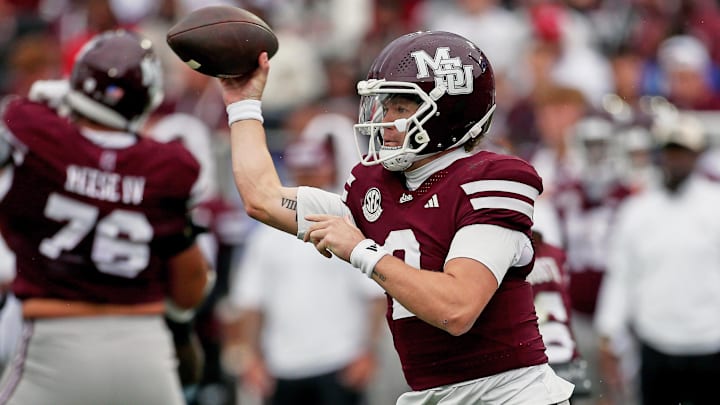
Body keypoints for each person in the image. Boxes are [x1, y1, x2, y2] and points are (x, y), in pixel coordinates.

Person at [218, 30, 574, 404]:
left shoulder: (492, 178)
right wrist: (243, 105)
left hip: (509, 395)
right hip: (433, 395)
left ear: (448, 112)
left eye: (401, 108)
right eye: (384, 107)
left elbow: (457, 307)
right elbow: (263, 199)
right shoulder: (376, 186)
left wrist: (363, 252)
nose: (385, 121)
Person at [0, 29, 211, 405]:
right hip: (144, 349)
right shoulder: (169, 166)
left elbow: (32, 120)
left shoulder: (35, 132)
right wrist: (180, 326)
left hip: (53, 346)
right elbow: (191, 287)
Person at [227, 128, 387, 405]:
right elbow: (251, 301)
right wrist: (251, 358)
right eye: (302, 171)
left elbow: (374, 294)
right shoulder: (266, 235)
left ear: (327, 170)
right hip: (282, 365)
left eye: (312, 170)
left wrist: (368, 352)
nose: (307, 178)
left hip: (340, 360)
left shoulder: (346, 222)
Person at [595, 113, 720, 405]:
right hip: (655, 343)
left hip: (711, 343)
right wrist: (608, 331)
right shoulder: (637, 210)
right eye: (669, 152)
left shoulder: (716, 204)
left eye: (682, 152)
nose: (675, 160)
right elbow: (621, 275)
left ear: (696, 155)